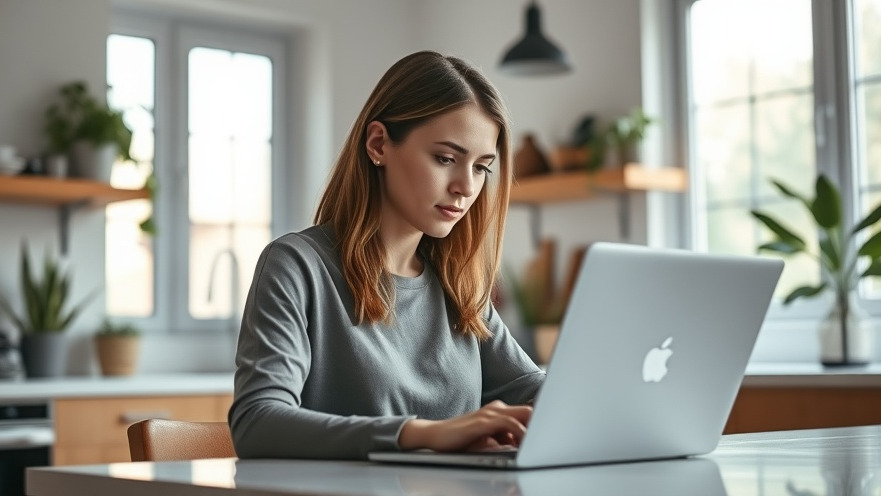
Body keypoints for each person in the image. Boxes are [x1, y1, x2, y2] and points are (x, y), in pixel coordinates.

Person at [229, 50, 545, 460]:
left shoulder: (460, 289)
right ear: (379, 144)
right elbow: (257, 423)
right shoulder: (297, 266)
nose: (466, 186)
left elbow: (543, 397)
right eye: (445, 159)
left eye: (481, 167)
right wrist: (422, 434)